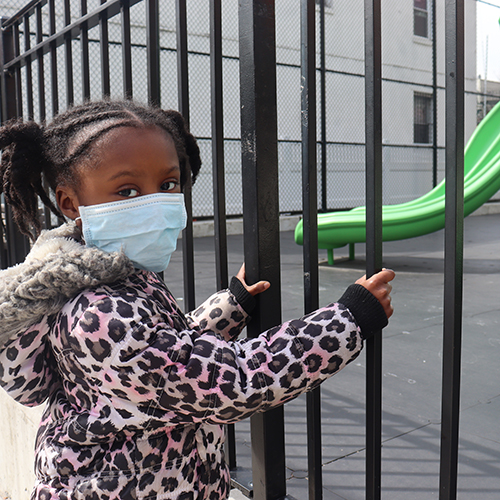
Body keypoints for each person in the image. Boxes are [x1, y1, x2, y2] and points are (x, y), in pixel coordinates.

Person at [0, 99, 395, 500]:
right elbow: (235, 381)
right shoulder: (98, 315)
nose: (156, 202)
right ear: (70, 203)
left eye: (168, 184)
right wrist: (348, 319)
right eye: (127, 190)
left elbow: (168, 346)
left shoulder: (107, 277)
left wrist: (231, 305)